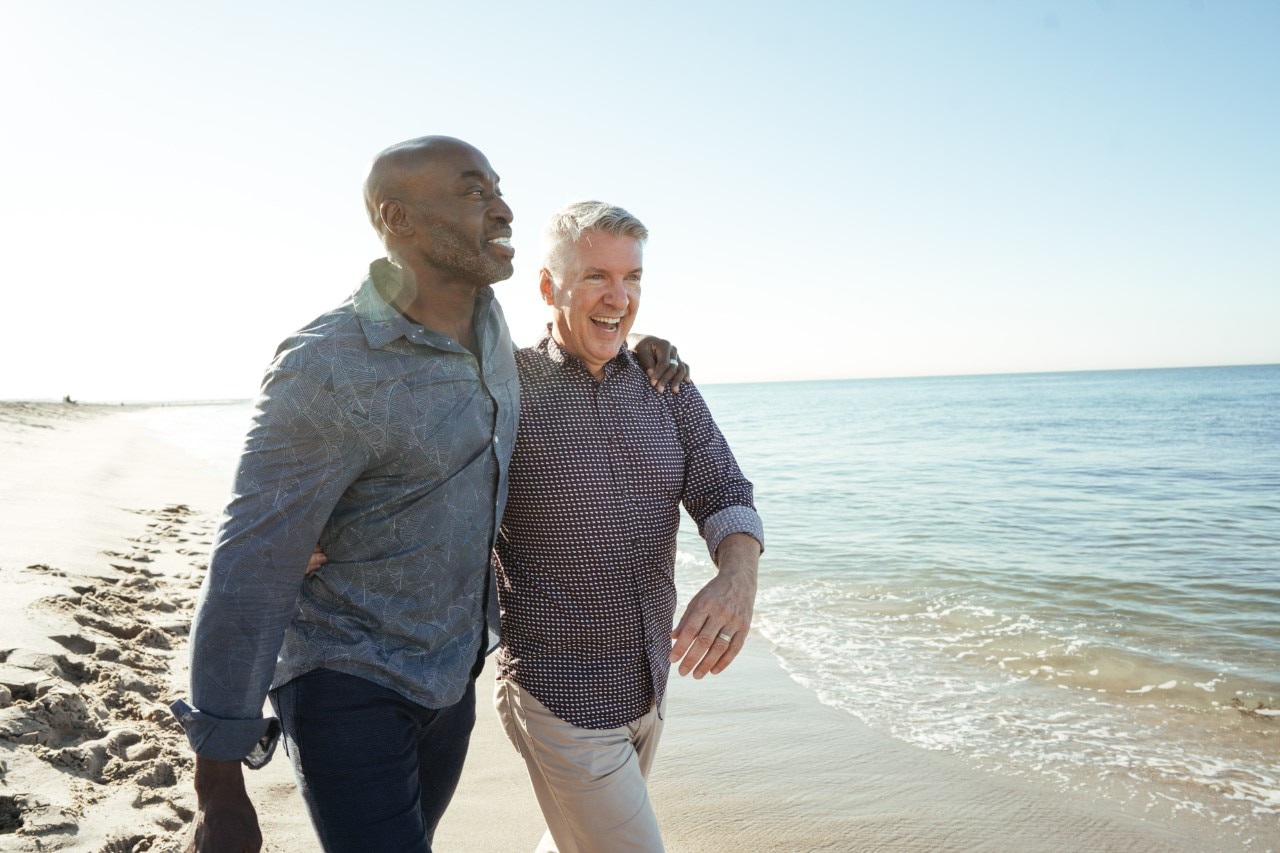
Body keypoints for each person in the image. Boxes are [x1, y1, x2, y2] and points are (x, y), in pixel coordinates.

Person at [170, 137, 685, 853]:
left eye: (500, 189)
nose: (503, 208)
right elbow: (249, 566)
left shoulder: (494, 338)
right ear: (399, 218)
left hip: (450, 680)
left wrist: (638, 344)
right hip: (343, 678)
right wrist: (217, 784)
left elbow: (572, 364)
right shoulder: (327, 363)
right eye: (474, 192)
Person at [493, 201, 763, 852]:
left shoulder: (665, 385)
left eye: (632, 278)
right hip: (559, 696)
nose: (619, 297)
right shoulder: (506, 391)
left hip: (648, 689)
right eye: (595, 277)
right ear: (548, 286)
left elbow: (724, 487)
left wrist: (738, 573)